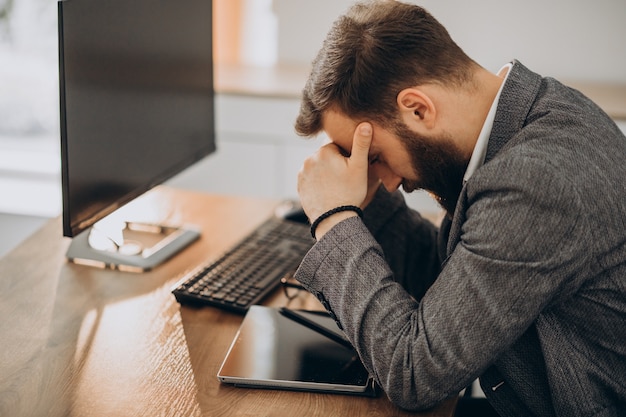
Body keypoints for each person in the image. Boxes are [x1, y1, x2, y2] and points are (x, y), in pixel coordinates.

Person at [292, 1, 626, 416]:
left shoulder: (535, 181)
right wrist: (365, 202)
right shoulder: (528, 116)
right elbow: (447, 285)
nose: (389, 182)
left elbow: (414, 374)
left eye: (374, 156)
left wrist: (334, 220)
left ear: (418, 108)